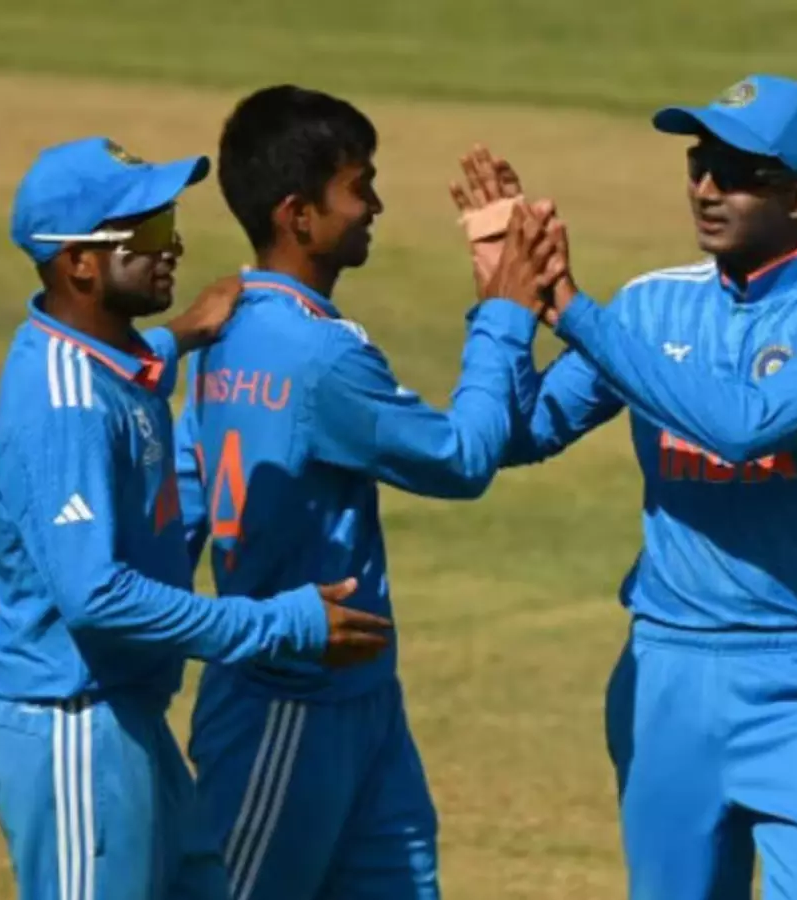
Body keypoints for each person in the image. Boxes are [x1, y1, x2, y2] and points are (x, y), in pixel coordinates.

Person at [457, 75, 797, 899]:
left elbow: (741, 428)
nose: (706, 188)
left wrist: (575, 312)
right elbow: (520, 435)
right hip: (664, 672)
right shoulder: (651, 306)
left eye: (735, 173)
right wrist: (508, 305)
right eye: (699, 164)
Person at [0, 135, 393, 900]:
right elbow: (97, 596)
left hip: (124, 717)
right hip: (72, 725)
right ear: (80, 263)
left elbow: (125, 371)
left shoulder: (104, 358)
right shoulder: (66, 405)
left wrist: (185, 333)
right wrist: (278, 624)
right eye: (151, 232)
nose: (175, 247)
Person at [172, 85, 560, 900]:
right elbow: (461, 459)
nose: (375, 205)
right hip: (291, 705)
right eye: (359, 186)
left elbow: (186, 493)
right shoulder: (320, 356)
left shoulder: (224, 323)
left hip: (354, 698)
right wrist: (502, 312)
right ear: (298, 214)